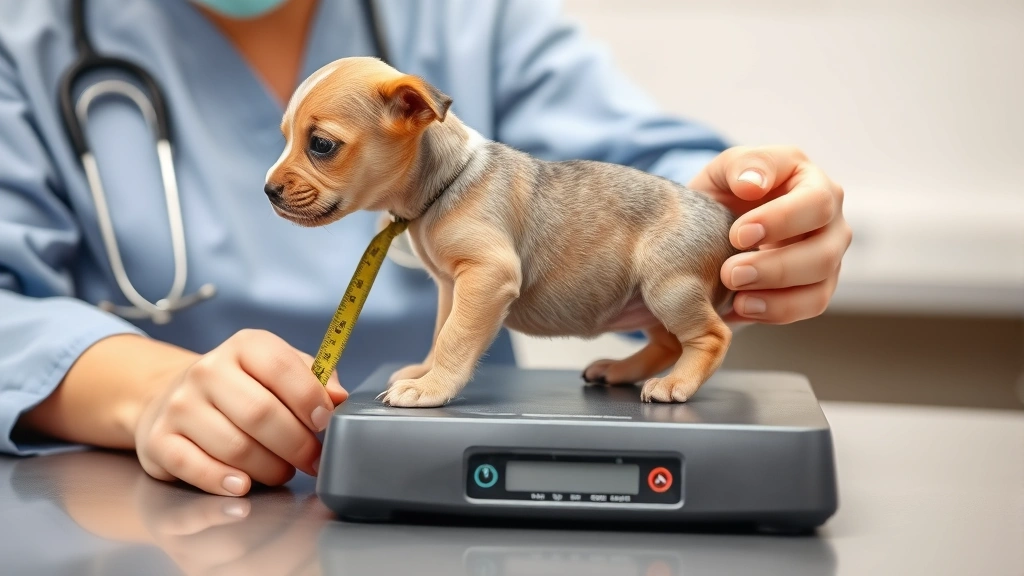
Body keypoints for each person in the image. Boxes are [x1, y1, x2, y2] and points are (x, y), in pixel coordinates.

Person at [0, 0, 852, 497]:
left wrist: (749, 208)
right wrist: (149, 389)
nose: (281, 176)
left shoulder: (463, 19)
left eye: (321, 148)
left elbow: (643, 177)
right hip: (151, 503)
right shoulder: (27, 36)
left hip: (447, 482)